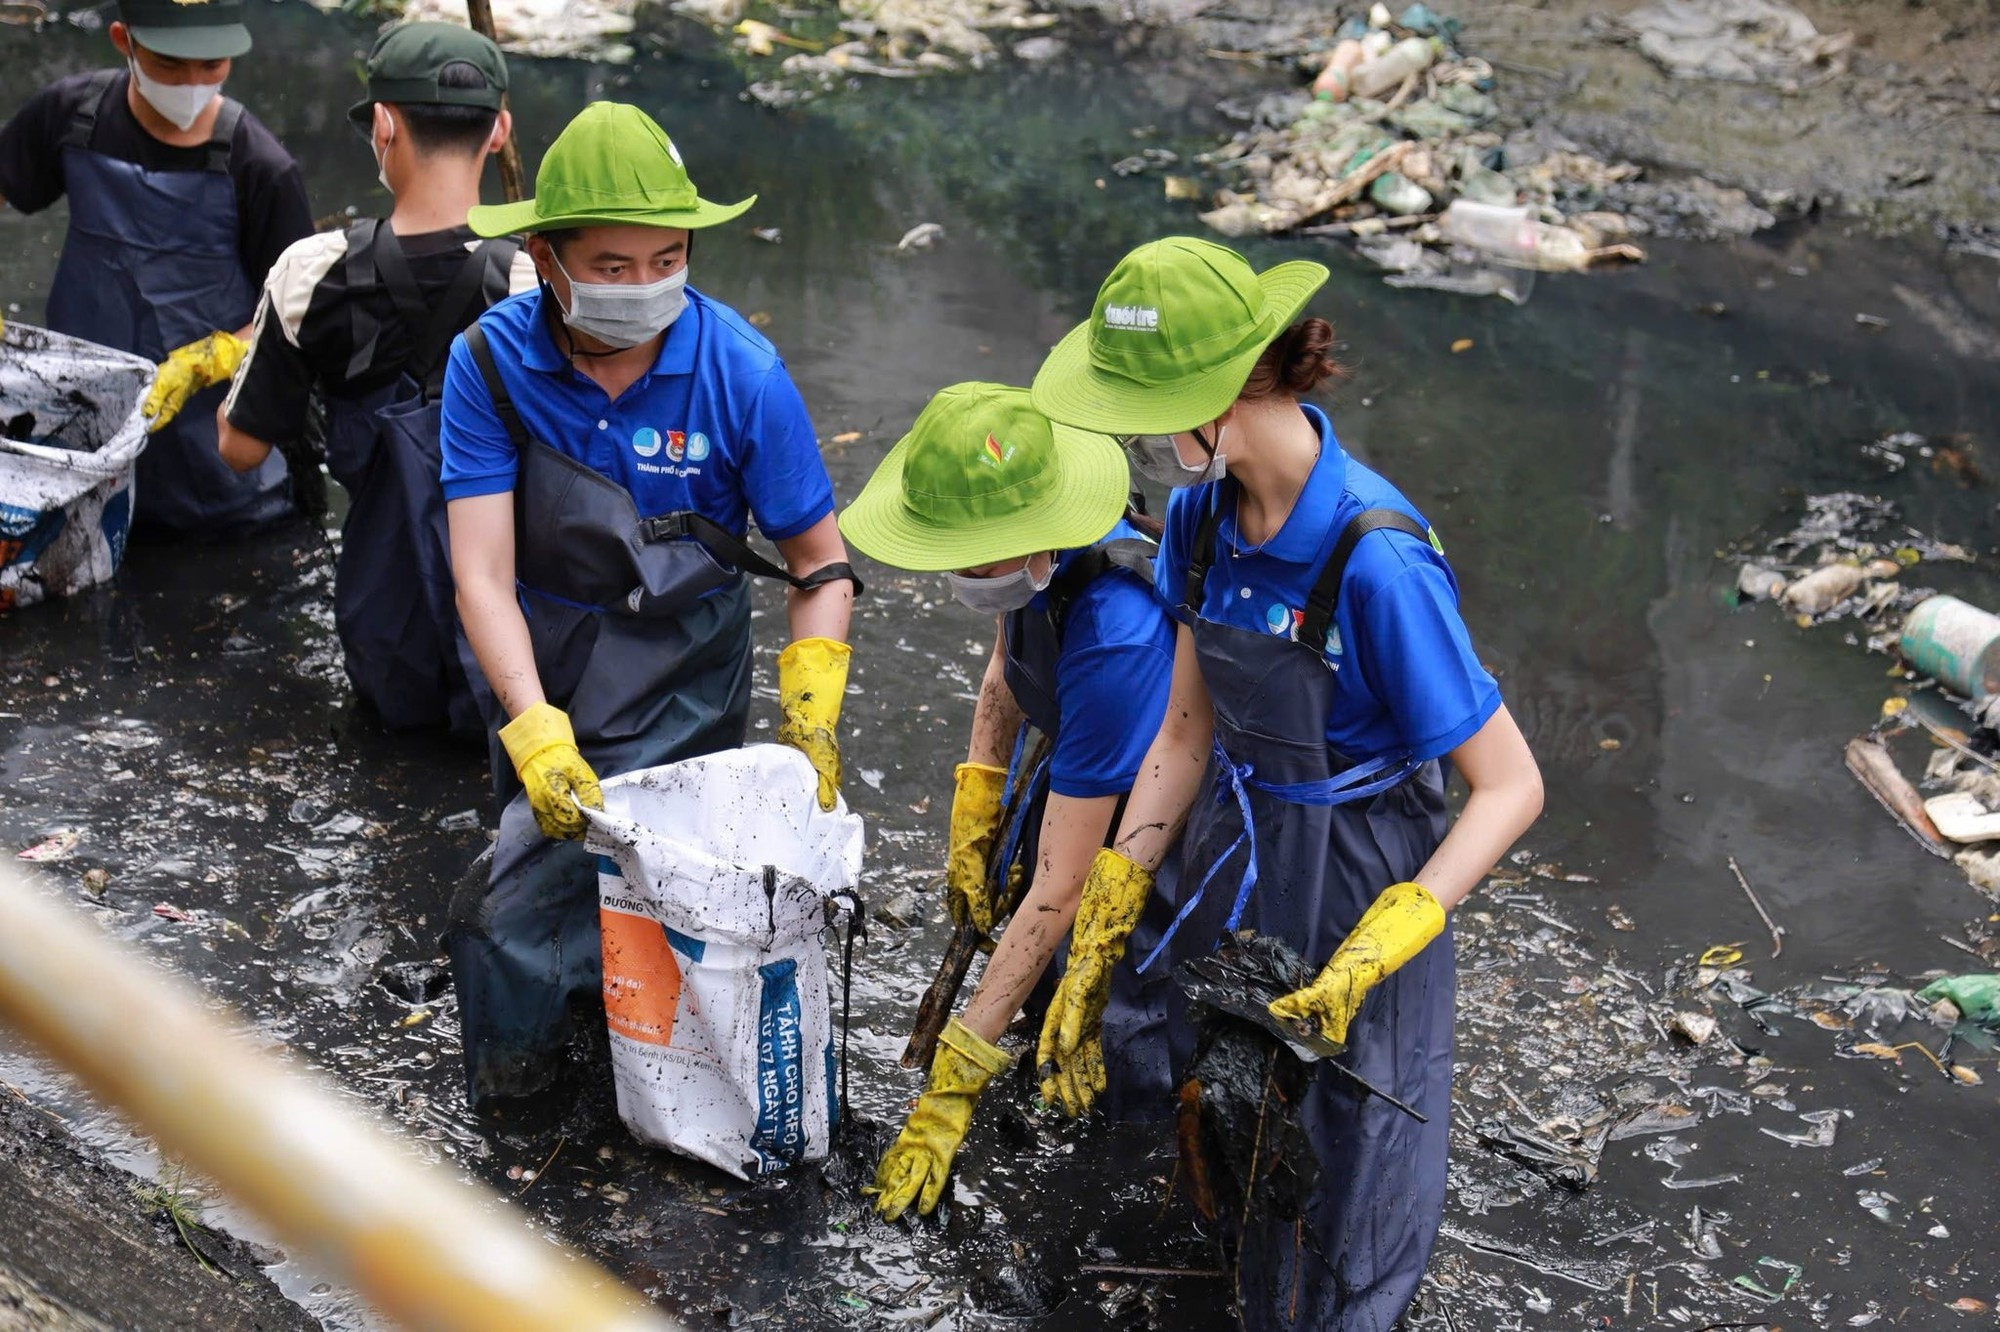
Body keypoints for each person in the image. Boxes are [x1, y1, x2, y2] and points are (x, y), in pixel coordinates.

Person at [1028, 236, 1544, 1330]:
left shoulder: (1375, 556)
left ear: (1216, 394)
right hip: (1237, 830)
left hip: (1362, 861)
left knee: (1346, 1131)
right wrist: (1109, 906)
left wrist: (1396, 926)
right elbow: (1179, 731)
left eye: (1142, 405)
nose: (1134, 433)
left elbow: (1506, 785)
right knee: (1205, 1071)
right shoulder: (1196, 520)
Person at [438, 102, 860, 1110]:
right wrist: (533, 725)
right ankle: (552, 1083)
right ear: (545, 257)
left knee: (586, 901)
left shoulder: (739, 374)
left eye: (666, 259)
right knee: (535, 869)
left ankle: (583, 1094)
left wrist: (811, 708)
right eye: (614, 267)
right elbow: (480, 573)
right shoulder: (489, 364)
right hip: (536, 651)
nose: (644, 287)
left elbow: (819, 563)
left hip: (680, 667)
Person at [835, 382, 1179, 1220]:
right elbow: (1007, 667)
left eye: (973, 559)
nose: (961, 576)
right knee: (1031, 973)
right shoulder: (1032, 574)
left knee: (1119, 1026)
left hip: (1150, 821)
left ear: (1036, 539)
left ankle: (1123, 1191)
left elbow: (1065, 887)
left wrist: (948, 1093)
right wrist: (977, 801)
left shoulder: (1116, 628)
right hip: (1075, 767)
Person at [217, 22, 533, 734]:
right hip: (525, 644)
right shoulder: (539, 282)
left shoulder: (311, 271)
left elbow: (239, 450)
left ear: (384, 126)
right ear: (500, 130)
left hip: (384, 632)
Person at [0, 0, 309, 538]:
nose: (192, 82)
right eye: (169, 64)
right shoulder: (73, 117)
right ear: (124, 40)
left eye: (212, 66)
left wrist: (216, 356)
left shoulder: (260, 165)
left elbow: (300, 313)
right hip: (84, 431)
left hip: (212, 462)